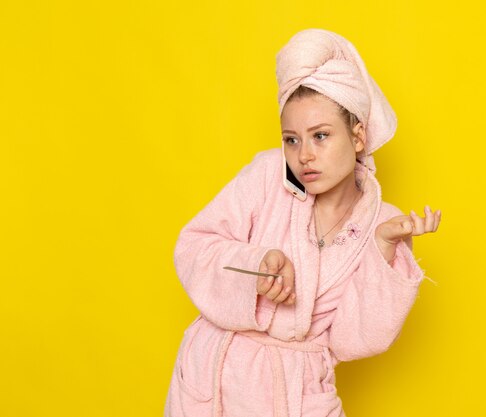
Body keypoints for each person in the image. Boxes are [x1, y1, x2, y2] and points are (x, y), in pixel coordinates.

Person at [164, 28, 442, 417]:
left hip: (299, 391)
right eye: (292, 139)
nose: (304, 155)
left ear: (358, 136)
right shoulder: (266, 176)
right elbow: (195, 246)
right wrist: (255, 267)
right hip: (218, 378)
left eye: (321, 136)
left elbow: (351, 340)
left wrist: (382, 248)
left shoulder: (382, 221)